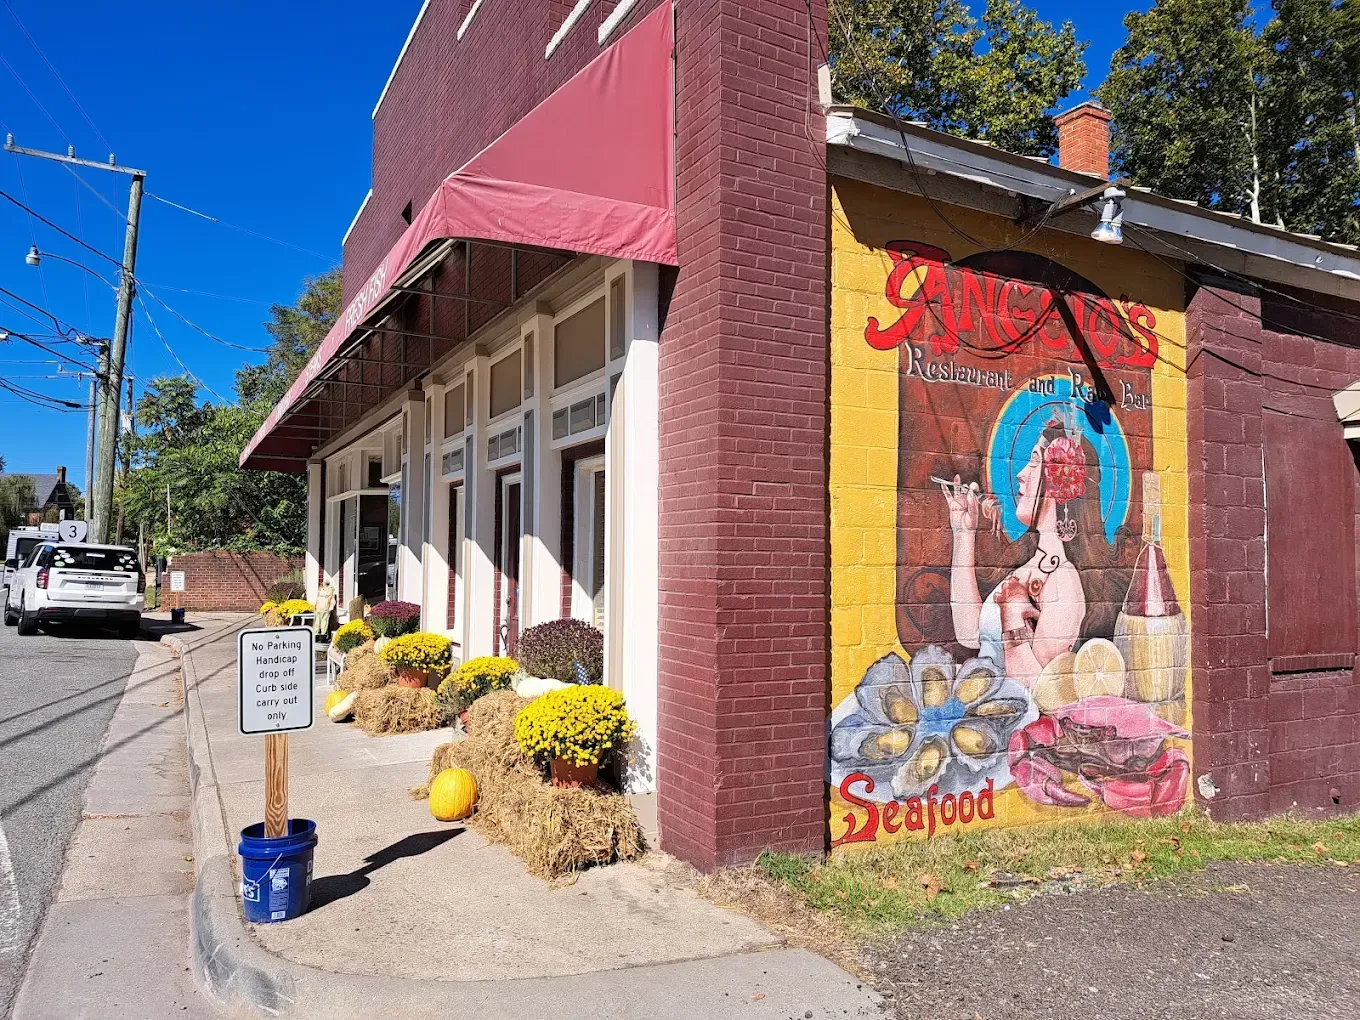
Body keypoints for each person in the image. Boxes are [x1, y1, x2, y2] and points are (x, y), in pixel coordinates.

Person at [942, 414, 1127, 691]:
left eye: (1034, 462)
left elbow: (1036, 691)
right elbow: (971, 634)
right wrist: (963, 532)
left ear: (1060, 485)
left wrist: (1013, 615)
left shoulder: (1063, 581)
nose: (1021, 474)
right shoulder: (1030, 565)